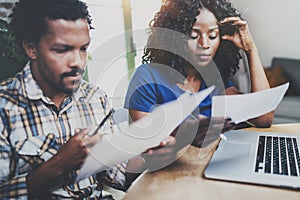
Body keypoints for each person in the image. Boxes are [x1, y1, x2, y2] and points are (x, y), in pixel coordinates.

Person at [0, 0, 137, 198]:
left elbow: (115, 172)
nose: (77, 62)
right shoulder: (5, 106)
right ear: (32, 48)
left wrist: (153, 157)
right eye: (62, 50)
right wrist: (60, 163)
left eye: (83, 49)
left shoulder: (95, 98)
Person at [124, 0, 274, 173]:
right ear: (174, 37)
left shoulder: (216, 82)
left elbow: (264, 118)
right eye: (193, 36)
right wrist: (185, 135)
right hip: (160, 176)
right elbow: (148, 146)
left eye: (212, 36)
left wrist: (250, 49)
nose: (204, 44)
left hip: (205, 172)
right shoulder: (147, 77)